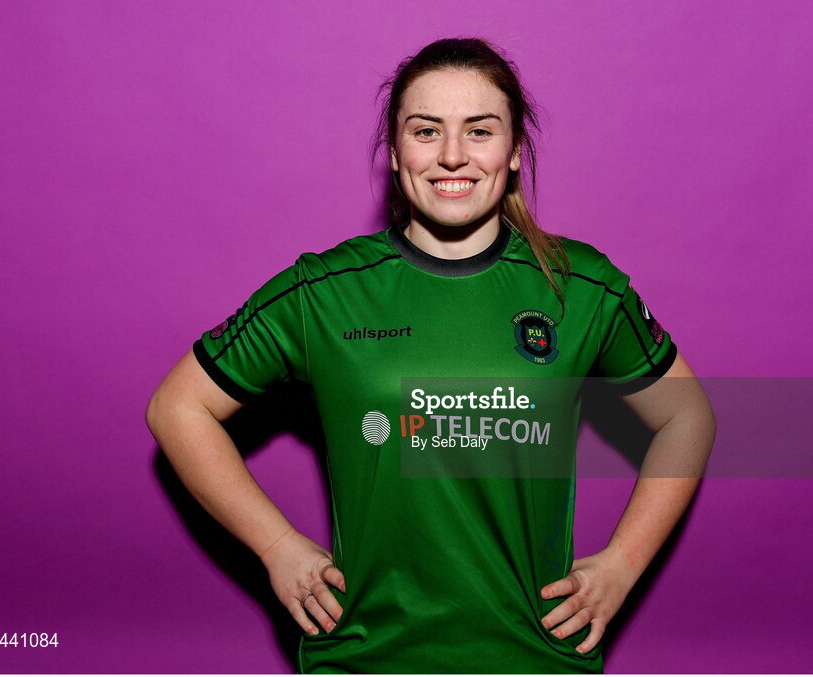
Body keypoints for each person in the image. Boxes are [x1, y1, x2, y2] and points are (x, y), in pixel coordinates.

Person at [146, 37, 715, 674]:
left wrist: (622, 565)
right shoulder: (323, 293)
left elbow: (687, 416)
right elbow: (177, 408)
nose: (451, 155)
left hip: (534, 656)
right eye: (426, 131)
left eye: (479, 130)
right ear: (395, 152)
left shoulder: (580, 287)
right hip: (364, 657)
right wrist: (277, 546)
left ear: (514, 149)